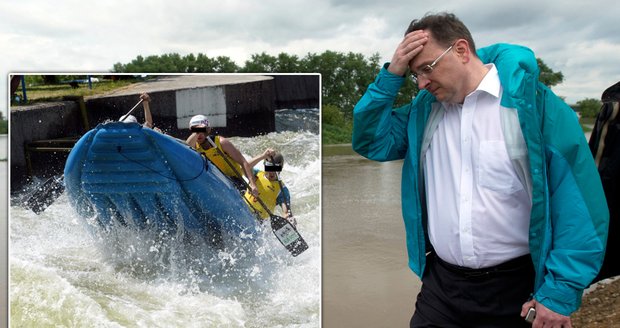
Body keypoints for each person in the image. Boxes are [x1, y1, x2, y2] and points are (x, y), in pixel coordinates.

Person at [352, 12, 608, 327]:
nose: (421, 83)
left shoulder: (536, 108)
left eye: (427, 69)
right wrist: (392, 74)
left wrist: (558, 294)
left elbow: (581, 208)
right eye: (414, 74)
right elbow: (371, 142)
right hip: (442, 289)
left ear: (461, 51)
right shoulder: (423, 111)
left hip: (518, 290)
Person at [186, 114, 258, 195]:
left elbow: (243, 161)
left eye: (202, 130)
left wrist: (252, 184)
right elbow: (185, 149)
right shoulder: (194, 145)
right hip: (216, 181)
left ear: (208, 130)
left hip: (234, 181)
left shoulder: (222, 143)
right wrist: (197, 130)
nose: (199, 134)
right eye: (196, 131)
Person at [243, 149, 296, 225]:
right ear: (264, 165)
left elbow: (286, 212)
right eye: (270, 167)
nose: (272, 172)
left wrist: (288, 217)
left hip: (258, 221)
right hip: (242, 207)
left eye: (276, 168)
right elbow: (245, 166)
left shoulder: (282, 190)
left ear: (281, 168)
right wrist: (263, 156)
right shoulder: (256, 174)